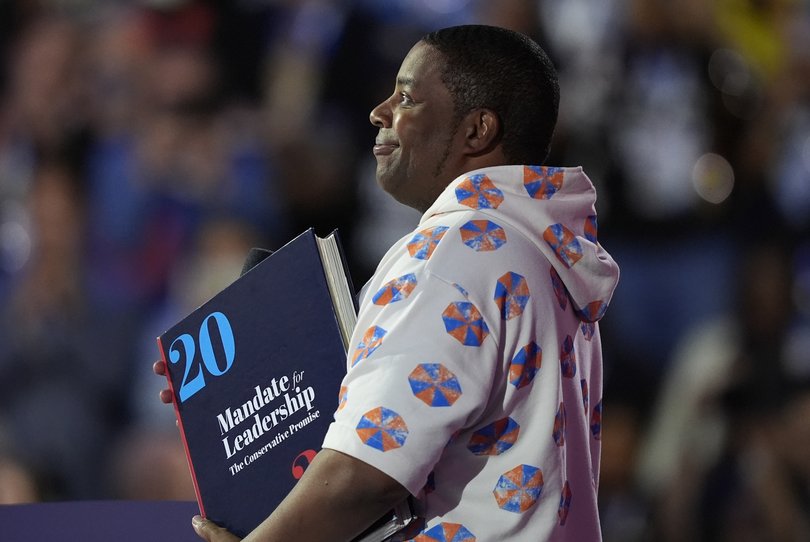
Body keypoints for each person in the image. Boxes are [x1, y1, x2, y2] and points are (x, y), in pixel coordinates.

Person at [155, 24, 619, 541]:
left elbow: (366, 472)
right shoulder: (537, 251)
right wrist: (234, 393)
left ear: (477, 130)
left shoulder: (454, 254)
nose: (380, 112)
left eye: (407, 97)